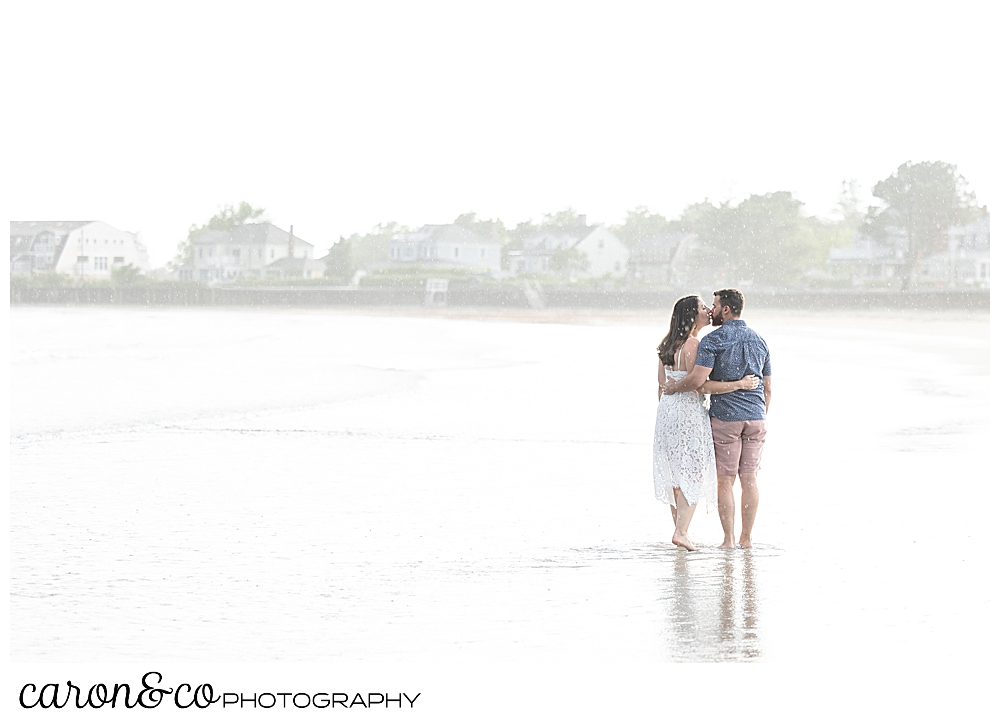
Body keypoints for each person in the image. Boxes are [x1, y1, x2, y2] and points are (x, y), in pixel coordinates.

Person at [661, 289, 772, 549]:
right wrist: (760, 413)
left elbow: (699, 382)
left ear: (726, 309)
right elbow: (768, 388)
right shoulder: (760, 340)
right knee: (750, 478)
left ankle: (729, 540)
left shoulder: (712, 341)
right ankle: (747, 539)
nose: (711, 310)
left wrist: (674, 388)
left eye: (714, 306)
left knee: (725, 480)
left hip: (726, 418)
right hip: (757, 417)